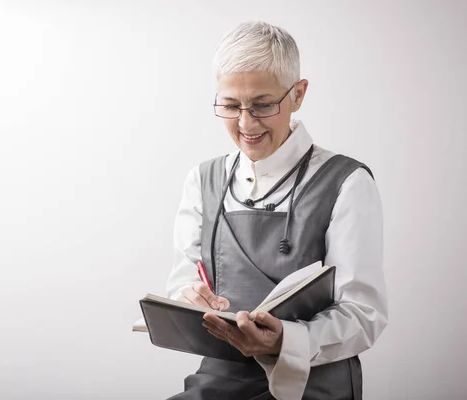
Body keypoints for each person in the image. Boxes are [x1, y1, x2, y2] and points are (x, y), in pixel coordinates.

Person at [165, 21, 388, 400]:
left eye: (263, 105)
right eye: (230, 105)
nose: (246, 123)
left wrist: (285, 340)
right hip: (220, 381)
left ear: (298, 95)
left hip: (313, 384)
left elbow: (364, 315)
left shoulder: (347, 182)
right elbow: (183, 281)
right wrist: (190, 297)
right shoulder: (202, 180)